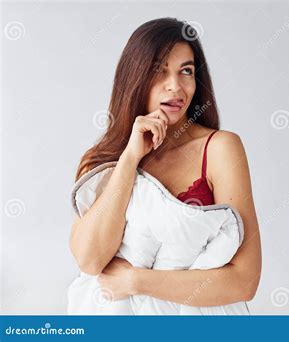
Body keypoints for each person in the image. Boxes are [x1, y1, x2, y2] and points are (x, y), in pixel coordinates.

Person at [69, 18, 261, 307]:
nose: (175, 86)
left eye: (186, 71)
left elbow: (244, 281)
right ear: (134, 77)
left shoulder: (220, 149)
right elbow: (90, 260)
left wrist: (136, 281)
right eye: (159, 70)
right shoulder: (100, 161)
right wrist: (130, 159)